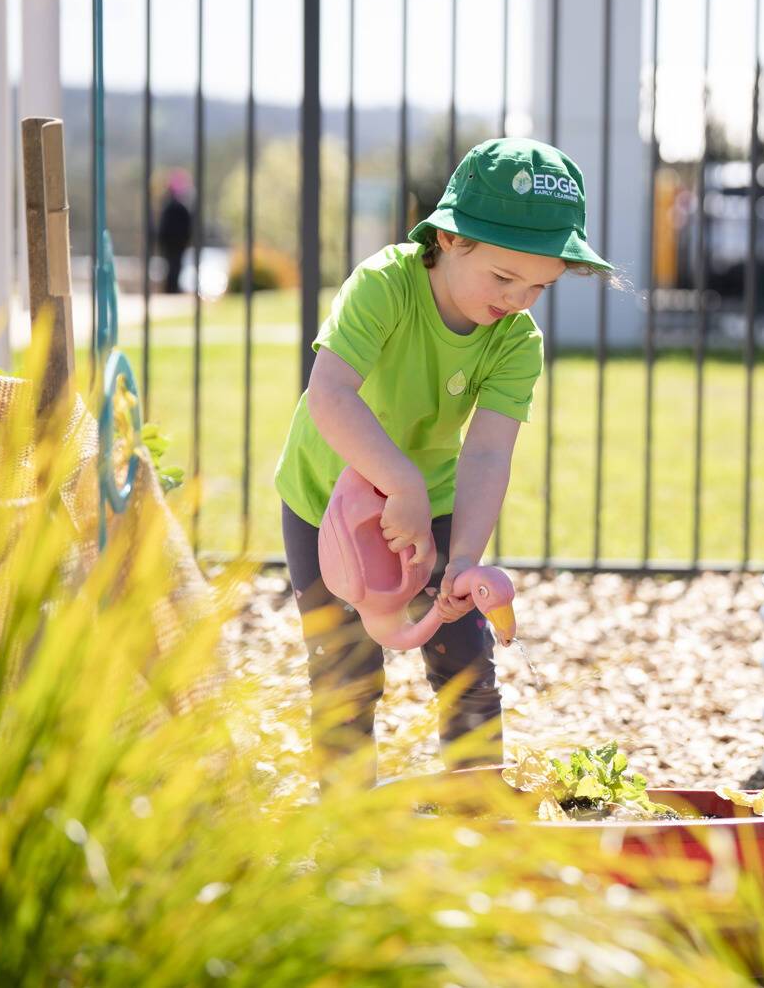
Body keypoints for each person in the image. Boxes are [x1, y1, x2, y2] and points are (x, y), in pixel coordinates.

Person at [274, 138, 612, 789]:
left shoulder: (515, 340)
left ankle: (476, 802)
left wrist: (462, 560)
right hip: (327, 501)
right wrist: (397, 480)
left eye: (539, 287)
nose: (518, 300)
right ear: (451, 239)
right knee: (345, 668)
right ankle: (350, 823)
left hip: (429, 502)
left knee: (465, 657)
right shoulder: (385, 286)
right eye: (504, 278)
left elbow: (487, 451)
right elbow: (329, 393)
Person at [155, 170, 194, 295]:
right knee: (174, 266)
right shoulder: (178, 207)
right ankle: (171, 288)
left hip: (171, 242)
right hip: (175, 242)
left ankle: (171, 288)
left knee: (173, 265)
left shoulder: (168, 205)